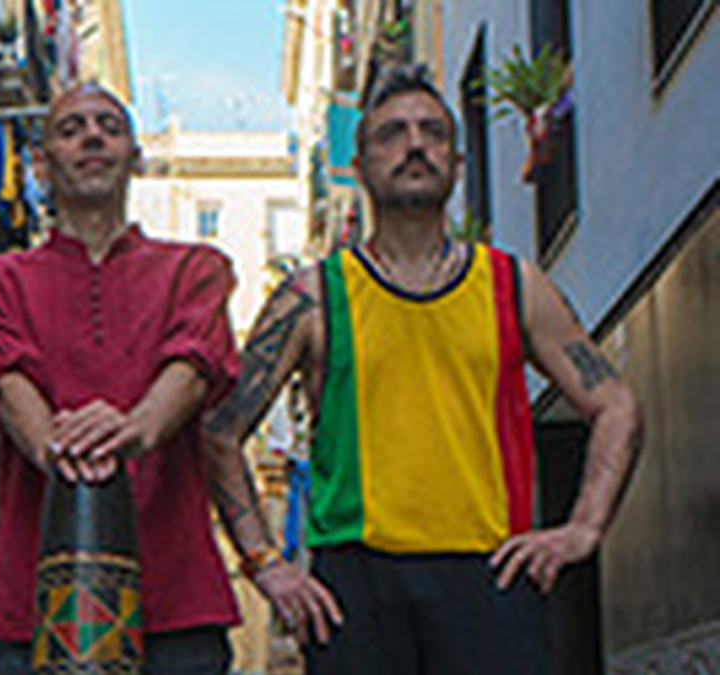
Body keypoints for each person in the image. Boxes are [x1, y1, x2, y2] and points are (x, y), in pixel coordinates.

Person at [203, 64, 643, 675]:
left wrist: (584, 529)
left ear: (457, 163)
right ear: (359, 166)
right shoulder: (315, 296)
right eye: (392, 133)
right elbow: (220, 430)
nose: (414, 145)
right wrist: (264, 563)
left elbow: (617, 405)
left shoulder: (514, 286)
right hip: (356, 590)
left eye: (432, 132)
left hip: (493, 575)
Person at [0, 82, 327, 675]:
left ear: (135, 158)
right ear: (42, 164)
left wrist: (133, 429)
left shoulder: (197, 270)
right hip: (32, 606)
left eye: (109, 127)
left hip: (175, 607)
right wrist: (56, 446)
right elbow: (6, 383)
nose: (92, 136)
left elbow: (194, 369)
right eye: (71, 128)